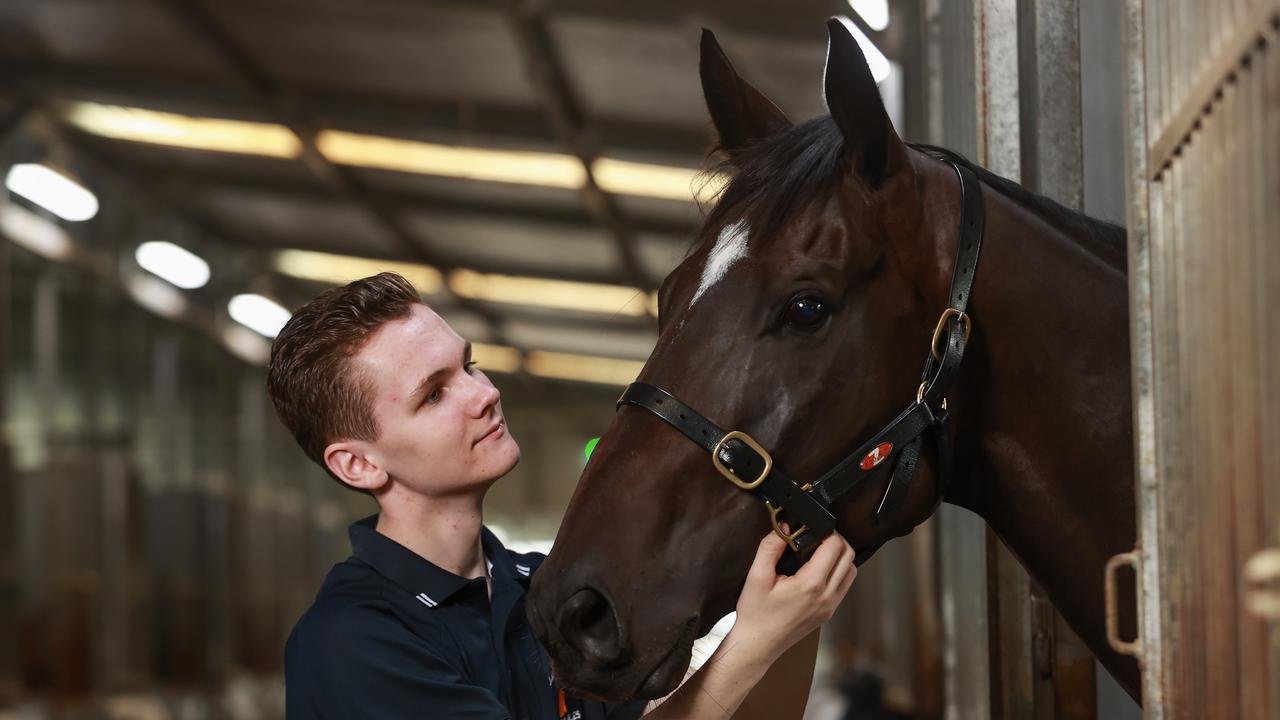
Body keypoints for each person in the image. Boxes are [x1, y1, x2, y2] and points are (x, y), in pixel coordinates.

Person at [269, 272, 858, 719]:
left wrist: (794, 615)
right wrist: (752, 643)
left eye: (469, 367)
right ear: (358, 464)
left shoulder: (541, 590)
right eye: (434, 394)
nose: (484, 394)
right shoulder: (354, 641)